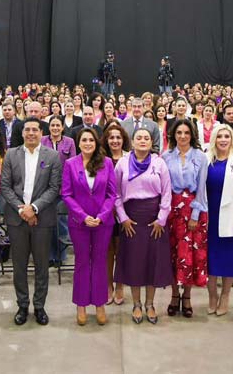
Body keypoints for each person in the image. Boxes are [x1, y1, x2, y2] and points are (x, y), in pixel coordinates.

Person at [0, 118, 63, 326]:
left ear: (41, 132)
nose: (31, 133)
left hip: (42, 219)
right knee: (19, 266)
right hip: (17, 219)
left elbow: (54, 188)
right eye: (27, 129)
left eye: (35, 129)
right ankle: (22, 305)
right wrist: (22, 209)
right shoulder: (11, 154)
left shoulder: (52, 156)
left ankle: (39, 306)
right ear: (23, 132)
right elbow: (5, 186)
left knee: (42, 266)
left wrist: (34, 208)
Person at [113, 128, 172, 325]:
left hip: (154, 219)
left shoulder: (159, 162)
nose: (143, 141)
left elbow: (166, 192)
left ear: (151, 141)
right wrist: (123, 218)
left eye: (147, 138)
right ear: (132, 141)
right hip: (132, 219)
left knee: (152, 262)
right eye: (139, 137)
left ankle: (150, 304)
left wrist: (161, 218)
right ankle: (137, 304)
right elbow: (115, 194)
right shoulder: (122, 163)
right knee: (135, 262)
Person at [61, 128, 117, 325]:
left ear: (96, 143)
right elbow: (66, 194)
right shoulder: (70, 164)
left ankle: (100, 303)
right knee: (82, 262)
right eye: (84, 140)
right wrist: (83, 216)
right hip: (79, 223)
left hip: (103, 223)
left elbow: (112, 194)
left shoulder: (106, 162)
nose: (87, 143)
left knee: (100, 262)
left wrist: (101, 216)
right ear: (78, 143)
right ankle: (81, 304)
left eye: (91, 140)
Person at [161, 118, 209, 318]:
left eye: (186, 133)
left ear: (192, 135)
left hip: (194, 210)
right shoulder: (165, 156)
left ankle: (187, 297)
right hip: (172, 210)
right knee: (173, 254)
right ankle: (174, 296)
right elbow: (163, 187)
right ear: (173, 135)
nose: (182, 136)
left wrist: (195, 214)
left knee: (190, 255)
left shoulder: (200, 157)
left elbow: (202, 187)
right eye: (179, 133)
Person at [205, 124, 233, 317]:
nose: (223, 140)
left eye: (227, 136)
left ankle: (225, 296)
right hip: (209, 216)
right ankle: (212, 296)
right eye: (219, 136)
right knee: (209, 260)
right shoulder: (206, 159)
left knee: (228, 260)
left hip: (231, 217)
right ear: (214, 138)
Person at [41, 116, 76, 267]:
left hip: (64, 187)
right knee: (48, 223)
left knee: (61, 223)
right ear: (49, 127)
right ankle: (49, 256)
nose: (55, 128)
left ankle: (60, 256)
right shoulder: (42, 141)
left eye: (58, 125)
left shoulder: (69, 142)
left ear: (62, 127)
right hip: (46, 187)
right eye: (52, 125)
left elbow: (73, 164)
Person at [102, 123, 129, 305]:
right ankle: (108, 286)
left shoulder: (129, 158)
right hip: (104, 211)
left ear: (123, 140)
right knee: (107, 250)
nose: (115, 140)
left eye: (118, 137)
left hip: (124, 211)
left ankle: (120, 284)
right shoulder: (100, 159)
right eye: (111, 137)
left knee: (121, 250)